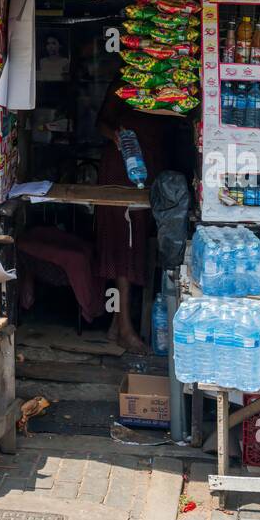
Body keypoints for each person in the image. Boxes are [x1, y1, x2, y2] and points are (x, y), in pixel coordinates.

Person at [95, 80, 170, 354]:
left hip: (150, 172)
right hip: (123, 170)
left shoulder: (170, 79)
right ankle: (125, 328)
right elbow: (100, 123)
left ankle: (117, 326)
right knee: (122, 246)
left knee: (135, 245)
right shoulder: (124, 82)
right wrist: (116, 136)